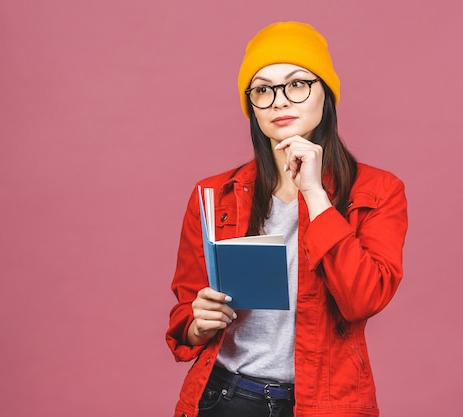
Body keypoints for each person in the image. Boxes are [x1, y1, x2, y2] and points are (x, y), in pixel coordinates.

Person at [166, 21, 408, 417]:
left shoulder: (378, 191)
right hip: (223, 398)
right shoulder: (213, 195)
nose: (279, 101)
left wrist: (315, 194)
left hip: (324, 403)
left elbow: (363, 299)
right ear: (252, 107)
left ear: (325, 94)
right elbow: (185, 312)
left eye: (296, 83)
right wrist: (198, 322)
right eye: (262, 89)